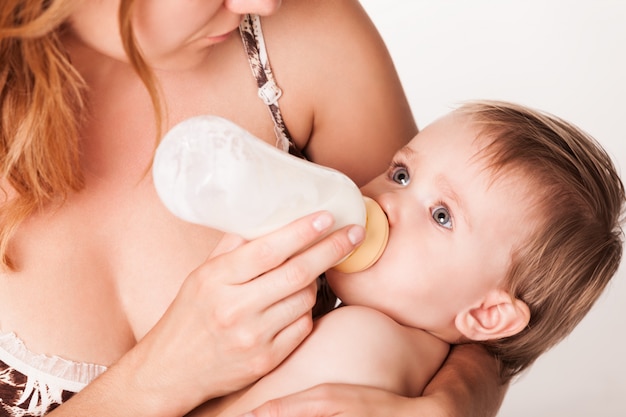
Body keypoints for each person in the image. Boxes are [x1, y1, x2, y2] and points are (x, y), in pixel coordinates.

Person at [0, 1, 505, 417]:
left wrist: (457, 401)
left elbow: (482, 285)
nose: (260, 4)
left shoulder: (309, 36)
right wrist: (158, 378)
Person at [186, 100, 625, 417]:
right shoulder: (411, 361)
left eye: (440, 215)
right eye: (401, 174)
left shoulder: (361, 342)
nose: (388, 202)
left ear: (488, 313)